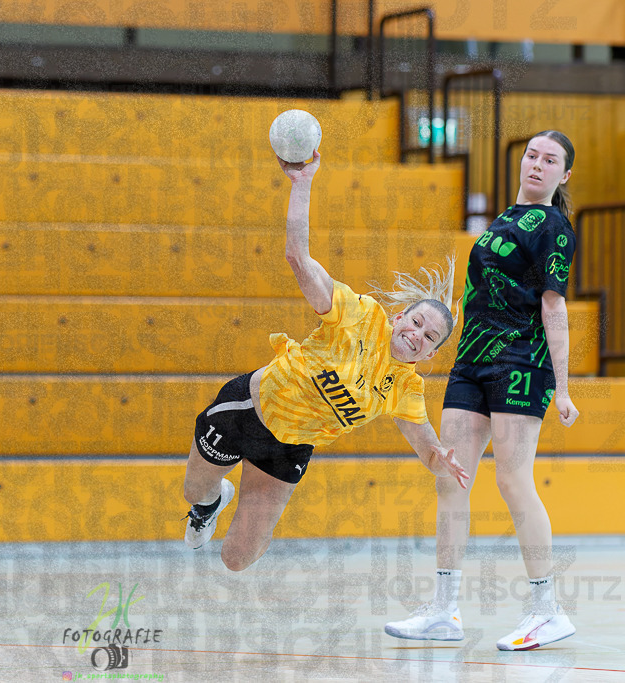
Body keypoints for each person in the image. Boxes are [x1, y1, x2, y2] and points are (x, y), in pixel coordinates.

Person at [182, 150, 468, 572]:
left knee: (236, 559)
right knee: (195, 491)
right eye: (416, 321)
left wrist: (440, 461)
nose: (416, 335)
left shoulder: (405, 389)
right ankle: (211, 505)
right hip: (248, 409)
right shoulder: (358, 315)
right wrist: (302, 184)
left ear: (430, 354)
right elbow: (298, 258)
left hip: (289, 448)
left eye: (429, 337)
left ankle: (253, 516)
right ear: (398, 317)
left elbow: (427, 450)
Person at [384, 131, 579, 651]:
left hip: (520, 361)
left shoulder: (555, 227)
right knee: (449, 476)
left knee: (513, 480)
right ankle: (444, 611)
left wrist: (563, 387)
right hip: (472, 361)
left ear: (563, 176)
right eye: (533, 155)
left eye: (550, 160)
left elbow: (554, 308)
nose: (537, 164)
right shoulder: (503, 220)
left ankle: (547, 609)